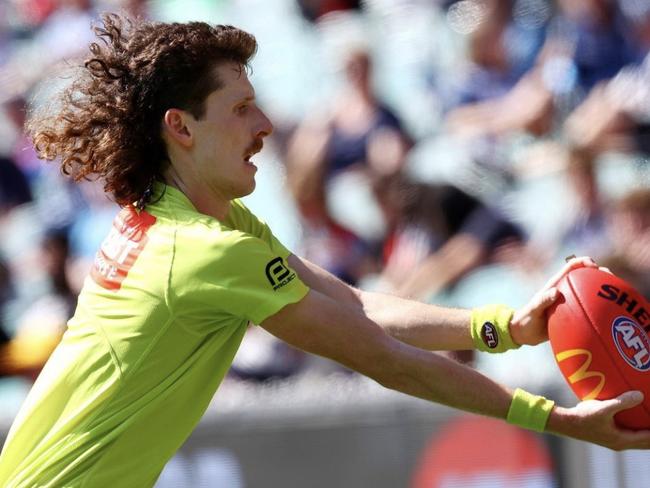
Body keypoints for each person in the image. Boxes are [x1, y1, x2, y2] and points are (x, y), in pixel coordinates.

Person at [0, 13, 648, 487]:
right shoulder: (199, 252)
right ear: (181, 128)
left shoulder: (199, 223)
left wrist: (504, 327)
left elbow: (354, 304)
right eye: (241, 108)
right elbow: (382, 358)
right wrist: (554, 419)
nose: (265, 126)